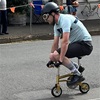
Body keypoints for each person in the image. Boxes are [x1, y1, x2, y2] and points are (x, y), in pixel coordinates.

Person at [42, 2, 93, 85]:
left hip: (85, 44)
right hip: (77, 43)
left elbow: (65, 42)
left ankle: (77, 74)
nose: (46, 19)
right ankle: (76, 67)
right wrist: (51, 60)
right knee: (53, 55)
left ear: (53, 13)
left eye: (46, 16)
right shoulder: (56, 26)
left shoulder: (64, 20)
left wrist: (60, 59)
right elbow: (55, 43)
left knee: (57, 55)